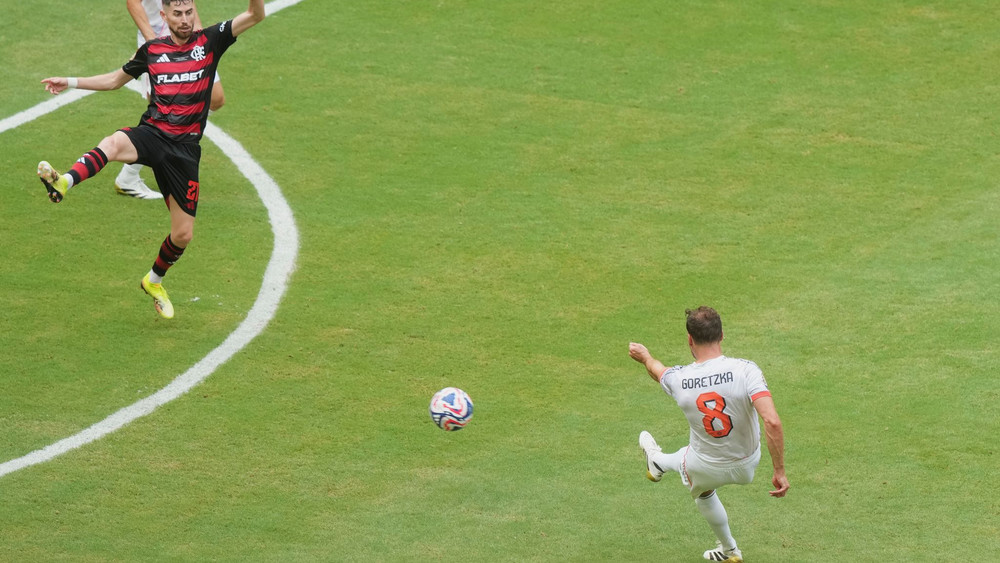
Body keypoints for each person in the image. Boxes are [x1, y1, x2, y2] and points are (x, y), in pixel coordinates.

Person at [36, 0, 266, 319]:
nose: (185, 20)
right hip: (154, 135)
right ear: (164, 16)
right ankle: (64, 181)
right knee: (115, 142)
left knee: (183, 235)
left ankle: (153, 281)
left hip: (184, 152)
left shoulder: (210, 40)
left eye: (188, 13)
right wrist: (71, 82)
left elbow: (255, 15)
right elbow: (114, 80)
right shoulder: (153, 51)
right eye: (177, 14)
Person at [628, 306, 789, 563]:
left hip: (705, 467)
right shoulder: (747, 370)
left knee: (696, 478)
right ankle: (657, 462)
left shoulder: (680, 378)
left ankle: (730, 549)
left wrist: (645, 356)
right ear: (722, 335)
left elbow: (657, 369)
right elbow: (771, 421)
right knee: (687, 459)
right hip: (748, 464)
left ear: (690, 340)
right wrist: (779, 470)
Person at [115, 0, 226, 199]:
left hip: (187, 39)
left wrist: (200, 35)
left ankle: (178, 132)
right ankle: (128, 176)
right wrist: (153, 43)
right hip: (157, 40)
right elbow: (133, 2)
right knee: (161, 110)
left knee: (216, 98)